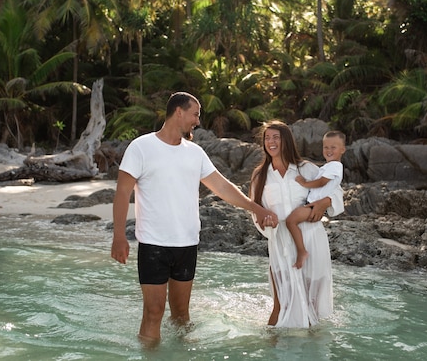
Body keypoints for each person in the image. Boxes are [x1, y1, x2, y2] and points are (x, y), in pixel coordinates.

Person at [111, 92, 276, 346]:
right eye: (195, 114)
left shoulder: (195, 153)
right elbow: (122, 192)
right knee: (154, 312)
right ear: (179, 112)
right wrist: (119, 236)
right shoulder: (141, 147)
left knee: (181, 315)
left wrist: (255, 207)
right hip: (153, 244)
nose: (197, 121)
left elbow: (221, 187)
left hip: (187, 244)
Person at [250, 120, 344, 328]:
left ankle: (312, 352)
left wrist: (324, 203)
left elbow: (335, 191)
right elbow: (256, 211)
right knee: (280, 302)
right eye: (267, 138)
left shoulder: (307, 169)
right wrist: (266, 222)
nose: (271, 142)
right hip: (281, 243)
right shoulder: (260, 176)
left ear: (287, 140)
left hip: (312, 239)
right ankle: (271, 350)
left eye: (276, 137)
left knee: (312, 302)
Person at [286, 130, 346, 269]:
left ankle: (302, 252)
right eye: (326, 147)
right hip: (311, 205)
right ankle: (301, 250)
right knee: (291, 222)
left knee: (291, 221)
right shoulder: (328, 166)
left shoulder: (336, 166)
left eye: (333, 147)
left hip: (313, 207)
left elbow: (321, 183)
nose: (329, 150)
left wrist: (304, 183)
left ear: (342, 149)